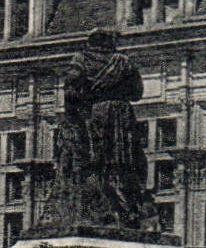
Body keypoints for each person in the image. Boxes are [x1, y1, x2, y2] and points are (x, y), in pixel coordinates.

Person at [50, 27, 151, 231]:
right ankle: (125, 205)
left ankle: (103, 204)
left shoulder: (81, 59)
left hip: (96, 112)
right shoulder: (123, 61)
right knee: (123, 161)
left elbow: (71, 89)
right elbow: (137, 93)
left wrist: (73, 114)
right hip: (122, 113)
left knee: (95, 160)